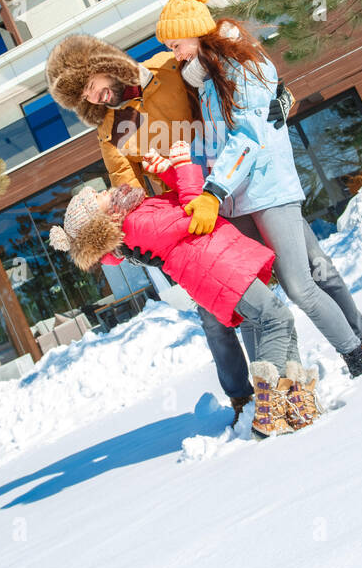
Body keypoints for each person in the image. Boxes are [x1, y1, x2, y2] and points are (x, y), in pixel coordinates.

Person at [155, 0, 362, 378]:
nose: (174, 54)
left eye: (175, 44)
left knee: (302, 284)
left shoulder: (239, 66)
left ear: (195, 34)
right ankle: (282, 377)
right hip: (239, 199)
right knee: (255, 294)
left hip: (267, 191)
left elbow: (248, 137)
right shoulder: (208, 82)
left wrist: (214, 192)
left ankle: (358, 357)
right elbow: (218, 144)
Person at [46, 33, 282, 423]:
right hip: (188, 210)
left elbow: (225, 75)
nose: (92, 98)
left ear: (104, 65)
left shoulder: (167, 69)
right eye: (83, 98)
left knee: (283, 277)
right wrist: (127, 234)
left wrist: (275, 94)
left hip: (235, 179)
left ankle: (341, 354)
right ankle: (246, 398)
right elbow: (127, 186)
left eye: (90, 87)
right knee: (215, 313)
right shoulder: (112, 129)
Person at [48, 141, 322, 438]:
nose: (106, 190)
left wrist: (167, 172)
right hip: (217, 269)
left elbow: (178, 203)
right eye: (99, 197)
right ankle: (269, 407)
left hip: (221, 263)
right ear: (102, 218)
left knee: (279, 321)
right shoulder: (135, 223)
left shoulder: (136, 214)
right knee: (277, 319)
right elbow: (193, 215)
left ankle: (296, 400)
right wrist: (184, 166)